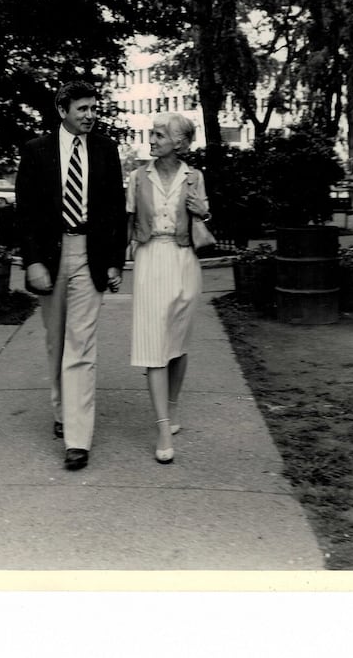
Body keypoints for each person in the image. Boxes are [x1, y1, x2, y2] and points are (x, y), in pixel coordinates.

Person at [15, 81, 126, 471]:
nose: (91, 114)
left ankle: (78, 439)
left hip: (88, 256)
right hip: (50, 255)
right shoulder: (36, 151)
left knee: (82, 346)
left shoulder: (106, 150)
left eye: (94, 108)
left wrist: (115, 260)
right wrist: (32, 261)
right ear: (62, 110)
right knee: (56, 341)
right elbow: (25, 212)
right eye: (82, 108)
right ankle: (62, 412)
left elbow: (117, 208)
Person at [126, 112, 211, 464]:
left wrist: (203, 210)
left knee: (177, 344)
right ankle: (162, 428)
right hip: (150, 259)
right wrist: (118, 264)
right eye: (153, 133)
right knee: (152, 347)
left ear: (180, 142)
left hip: (184, 261)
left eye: (160, 134)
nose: (153, 139)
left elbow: (202, 217)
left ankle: (172, 410)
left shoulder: (194, 177)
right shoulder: (136, 177)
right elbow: (128, 222)